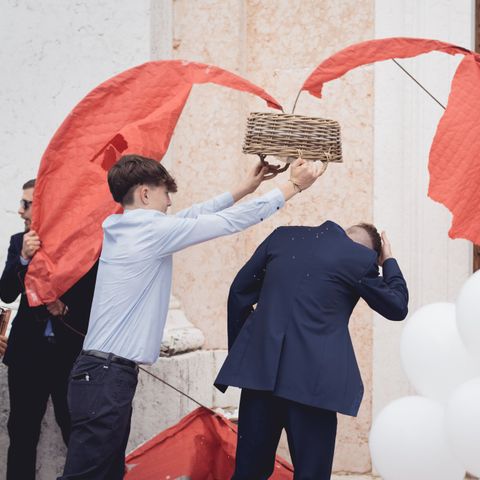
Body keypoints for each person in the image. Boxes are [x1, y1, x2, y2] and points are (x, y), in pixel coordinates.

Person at [59, 153, 323, 480]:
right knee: (88, 474)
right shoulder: (149, 231)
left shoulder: (129, 227)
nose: (170, 202)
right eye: (165, 193)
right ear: (144, 193)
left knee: (105, 472)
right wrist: (293, 185)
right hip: (106, 375)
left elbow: (194, 215)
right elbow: (228, 222)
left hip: (103, 373)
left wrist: (246, 186)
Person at [215, 221, 409, 479]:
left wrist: (247, 359)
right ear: (371, 255)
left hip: (260, 379)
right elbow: (397, 306)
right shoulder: (358, 258)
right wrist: (389, 261)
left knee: (248, 473)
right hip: (313, 388)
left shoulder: (283, 237)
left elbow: (239, 292)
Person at [0, 179, 97, 480]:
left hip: (69, 357)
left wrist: (65, 309)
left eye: (26, 204)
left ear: (43, 206)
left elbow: (95, 299)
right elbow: (6, 293)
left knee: (75, 431)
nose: (20, 210)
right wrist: (23, 259)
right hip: (27, 355)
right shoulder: (19, 242)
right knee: (22, 432)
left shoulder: (82, 244)